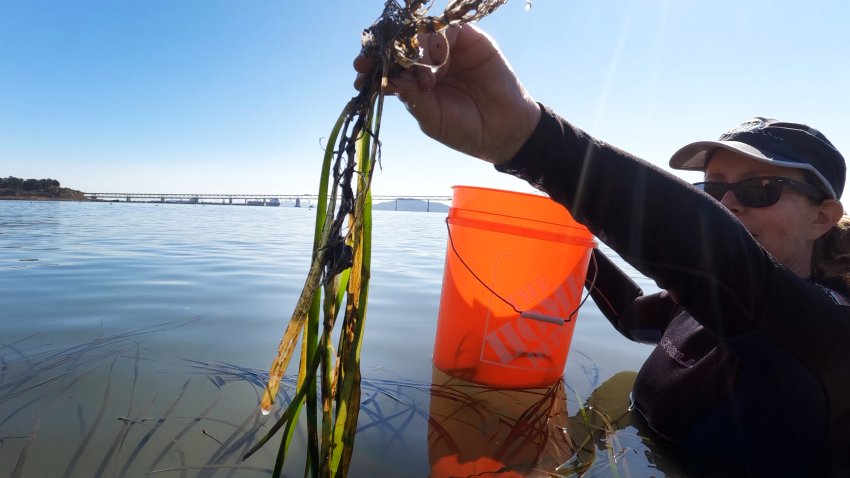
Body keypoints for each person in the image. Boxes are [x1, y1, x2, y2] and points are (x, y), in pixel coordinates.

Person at [355, 24, 850, 476]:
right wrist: (574, 246)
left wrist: (526, 140)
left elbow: (719, 258)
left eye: (761, 188)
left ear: (822, 217)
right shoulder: (704, 304)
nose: (730, 206)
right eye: (713, 191)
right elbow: (636, 316)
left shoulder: (831, 333)